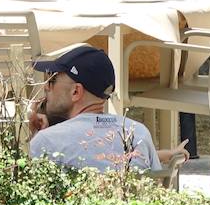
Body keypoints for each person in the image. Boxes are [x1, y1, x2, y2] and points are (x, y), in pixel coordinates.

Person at [27, 45, 169, 172]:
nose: (46, 87)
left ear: (76, 92)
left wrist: (33, 136)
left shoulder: (47, 142)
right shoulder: (138, 133)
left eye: (52, 80)